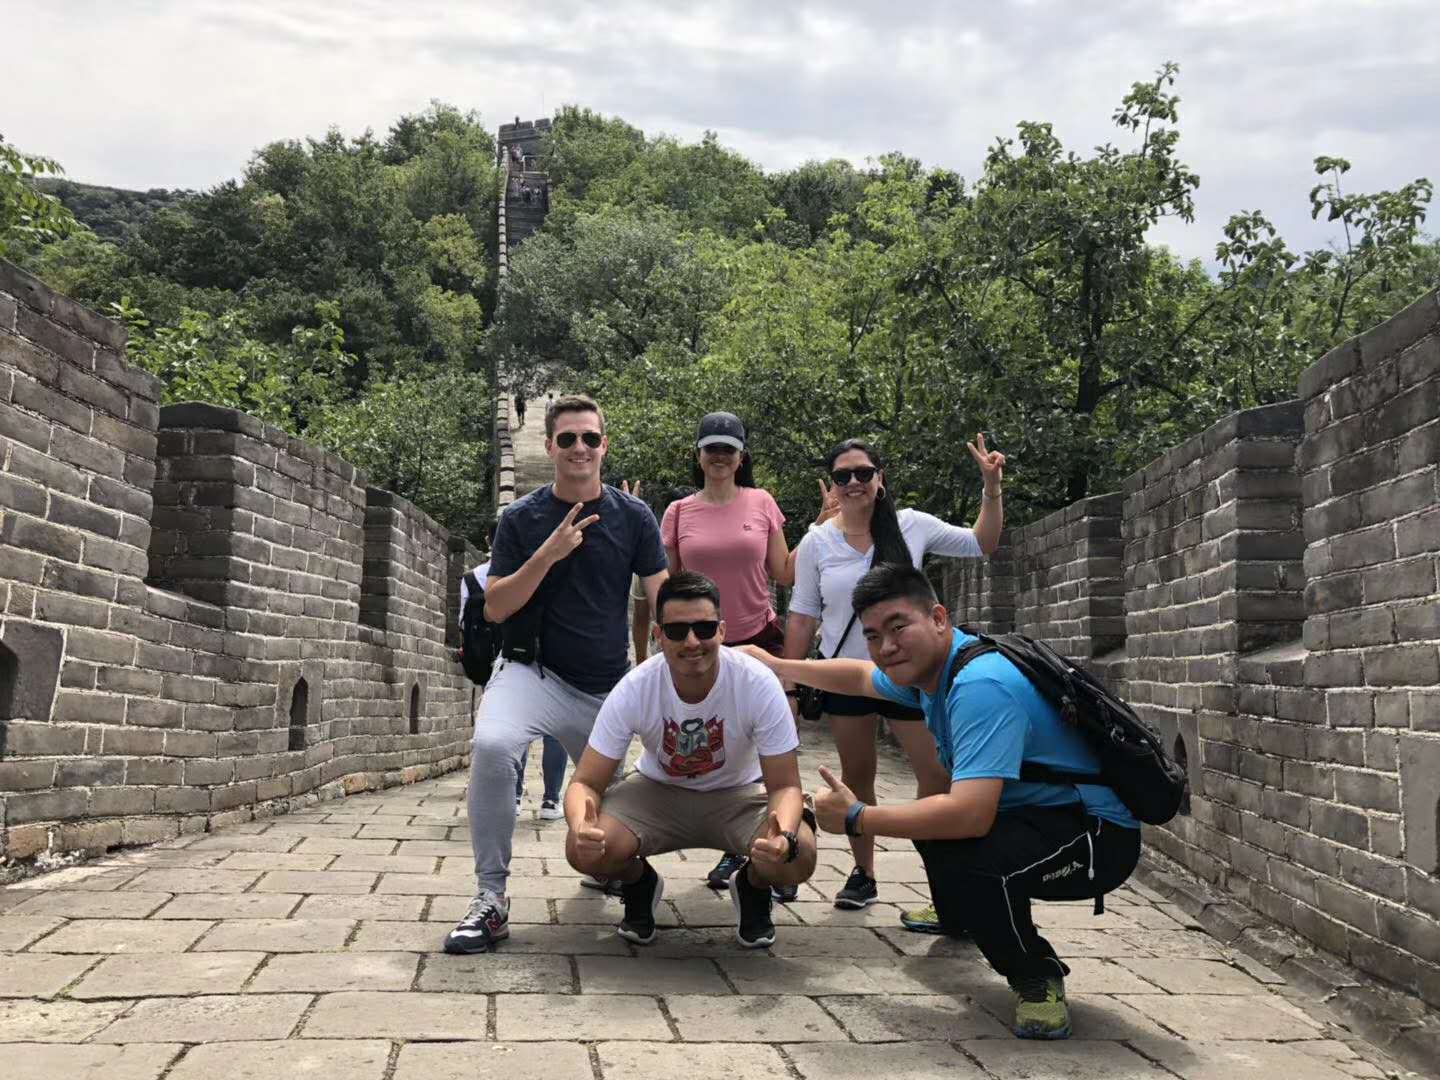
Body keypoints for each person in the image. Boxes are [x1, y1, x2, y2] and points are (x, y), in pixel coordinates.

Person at [741, 562, 1141, 1040]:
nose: (886, 647)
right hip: (1044, 816)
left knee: (968, 851)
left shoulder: (979, 686)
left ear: (937, 618)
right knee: (929, 822)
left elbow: (970, 816)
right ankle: (961, 916)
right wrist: (780, 666)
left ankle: (1036, 974)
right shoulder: (939, 670)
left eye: (898, 627)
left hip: (1097, 839)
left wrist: (858, 817)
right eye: (873, 635)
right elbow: (862, 677)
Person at [444, 394, 668, 954]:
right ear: (549, 447)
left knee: (611, 825)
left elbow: (662, 594)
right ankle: (490, 898)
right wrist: (547, 554)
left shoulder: (633, 516)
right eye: (567, 439)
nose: (579, 448)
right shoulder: (521, 518)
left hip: (604, 685)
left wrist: (686, 650)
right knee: (493, 746)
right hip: (532, 673)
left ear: (604, 445)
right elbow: (496, 606)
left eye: (589, 438)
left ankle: (624, 875)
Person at [785, 435, 1004, 913]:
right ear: (833, 485)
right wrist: (790, 686)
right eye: (843, 475)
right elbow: (802, 615)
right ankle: (863, 873)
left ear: (879, 478)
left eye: (863, 473)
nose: (854, 482)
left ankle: (944, 878)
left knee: (936, 773)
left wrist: (991, 488)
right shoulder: (817, 541)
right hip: (846, 675)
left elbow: (981, 543)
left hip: (910, 674)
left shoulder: (911, 526)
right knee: (857, 773)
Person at [565, 571, 818, 948]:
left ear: (722, 631)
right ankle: (638, 881)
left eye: (704, 628)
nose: (692, 641)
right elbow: (586, 781)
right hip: (657, 792)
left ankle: (753, 885)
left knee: (799, 855)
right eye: (677, 631)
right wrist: (580, 825)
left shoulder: (757, 683)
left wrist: (783, 836)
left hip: (739, 794)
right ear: (658, 635)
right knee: (584, 850)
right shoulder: (636, 687)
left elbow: (784, 785)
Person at [660, 412, 809, 896]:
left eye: (729, 448)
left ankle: (780, 845)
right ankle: (738, 845)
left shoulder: (761, 502)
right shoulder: (678, 512)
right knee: (722, 745)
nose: (720, 456)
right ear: (699, 455)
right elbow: (668, 585)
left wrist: (823, 528)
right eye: (712, 448)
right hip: (702, 643)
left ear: (741, 456)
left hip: (759, 637)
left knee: (776, 747)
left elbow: (784, 572)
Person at [458, 532, 567, 820]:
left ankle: (514, 796)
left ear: (487, 540)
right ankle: (551, 800)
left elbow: (463, 622)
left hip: (498, 658)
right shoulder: (539, 568)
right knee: (554, 731)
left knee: (511, 727)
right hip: (543, 656)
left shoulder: (473, 577)